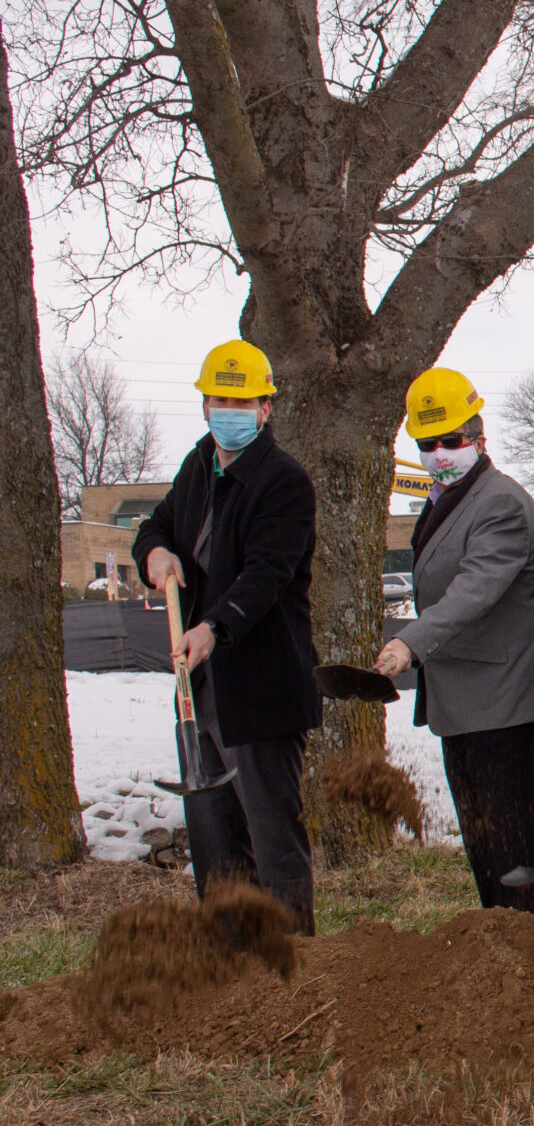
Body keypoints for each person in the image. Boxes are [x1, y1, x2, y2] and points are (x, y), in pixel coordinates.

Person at [132, 339, 322, 933]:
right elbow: (155, 526)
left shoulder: (284, 482)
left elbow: (267, 574)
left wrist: (215, 627)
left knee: (271, 835)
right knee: (213, 837)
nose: (230, 411)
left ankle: (294, 956)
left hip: (261, 687)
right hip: (201, 685)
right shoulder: (198, 466)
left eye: (243, 402)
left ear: (265, 407)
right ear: (204, 405)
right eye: (220, 400)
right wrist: (154, 553)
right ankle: (232, 958)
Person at [372, 368, 534, 919]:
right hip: (464, 703)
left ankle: (530, 950)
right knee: (483, 847)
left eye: (449, 440)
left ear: (478, 437)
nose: (439, 454)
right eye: (427, 444)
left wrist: (410, 642)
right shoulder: (444, 500)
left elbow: (474, 589)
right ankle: (497, 949)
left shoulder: (500, 504)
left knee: (512, 851)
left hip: (505, 703)